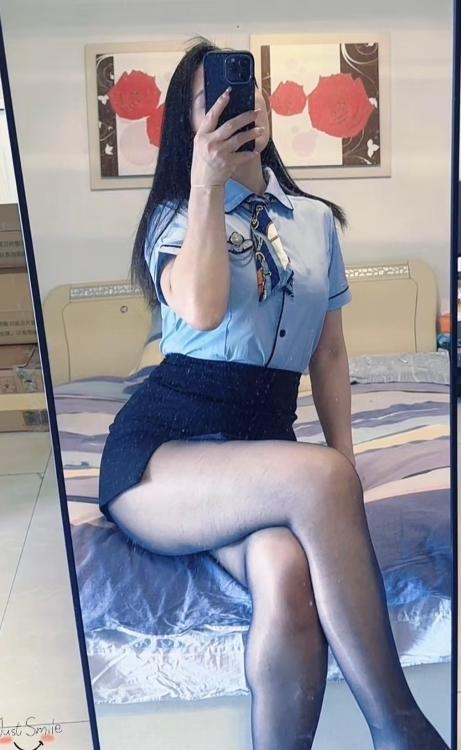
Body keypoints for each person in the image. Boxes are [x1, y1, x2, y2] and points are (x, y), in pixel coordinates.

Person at [98, 38, 449, 750]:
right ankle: (402, 729)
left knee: (287, 573)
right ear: (188, 124)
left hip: (261, 456)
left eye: (246, 91)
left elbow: (329, 350)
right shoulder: (174, 218)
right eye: (213, 100)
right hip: (162, 454)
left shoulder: (314, 221)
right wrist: (205, 186)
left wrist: (344, 465)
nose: (238, 105)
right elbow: (201, 312)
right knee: (317, 476)